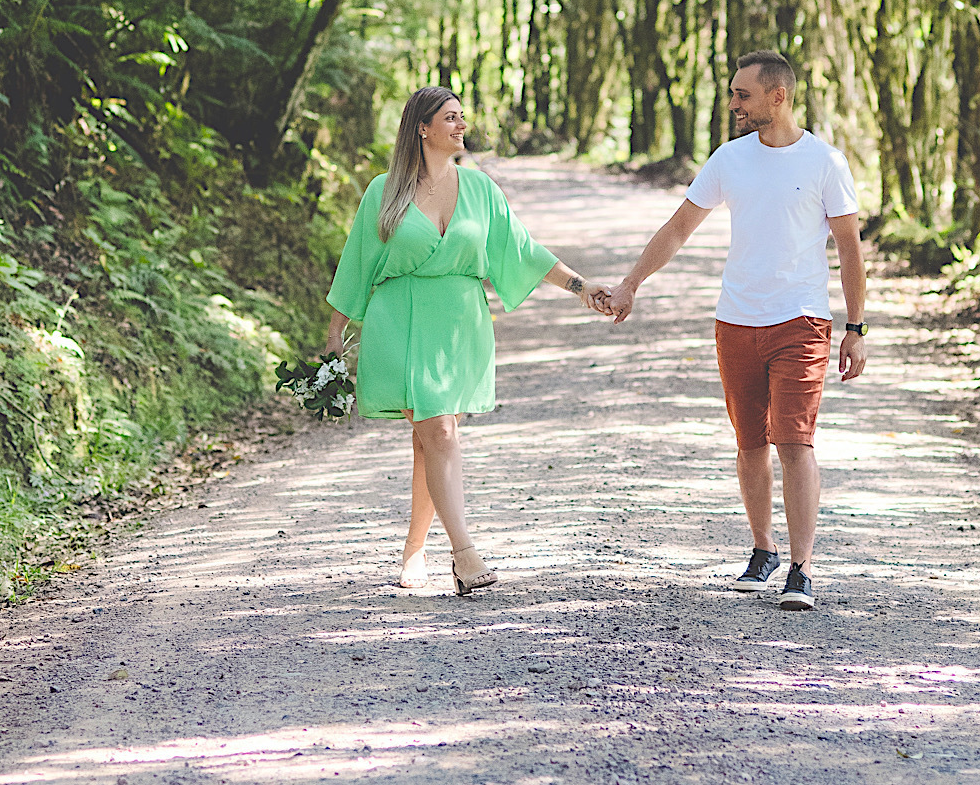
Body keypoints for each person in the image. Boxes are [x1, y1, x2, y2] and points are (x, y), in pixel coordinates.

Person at [599, 50, 867, 612]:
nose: (733, 104)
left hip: (801, 322)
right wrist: (630, 284)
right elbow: (678, 230)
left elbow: (849, 250)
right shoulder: (730, 159)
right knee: (749, 445)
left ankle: (801, 568)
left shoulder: (825, 162)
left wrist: (855, 327)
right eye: (732, 93)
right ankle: (763, 550)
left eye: (742, 94)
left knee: (794, 441)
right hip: (737, 320)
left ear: (779, 96)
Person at [325, 85, 606, 596]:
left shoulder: (480, 189)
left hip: (459, 327)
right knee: (441, 435)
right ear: (422, 127)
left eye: (461, 117)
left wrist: (582, 287)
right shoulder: (382, 191)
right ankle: (464, 553)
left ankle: (414, 550)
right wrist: (332, 339)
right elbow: (356, 265)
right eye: (450, 118)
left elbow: (521, 250)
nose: (461, 125)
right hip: (399, 322)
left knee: (430, 441)